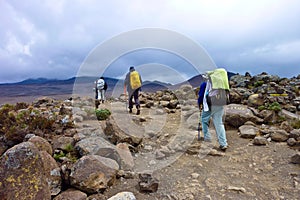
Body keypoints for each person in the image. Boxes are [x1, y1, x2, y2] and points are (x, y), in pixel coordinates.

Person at [198, 68, 229, 151]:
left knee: (204, 120)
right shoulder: (221, 85)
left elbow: (201, 96)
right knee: (219, 123)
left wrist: (199, 104)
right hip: (220, 103)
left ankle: (207, 138)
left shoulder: (205, 84)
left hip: (209, 105)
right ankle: (223, 143)